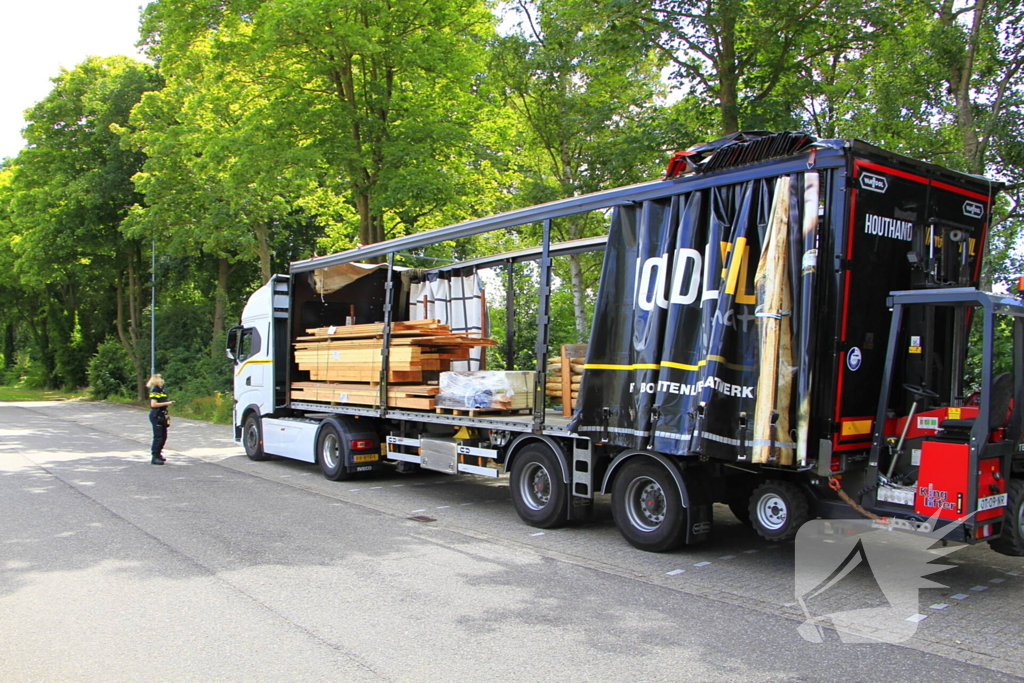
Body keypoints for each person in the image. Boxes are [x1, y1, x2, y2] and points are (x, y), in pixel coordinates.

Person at [147, 374, 175, 465]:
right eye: (161, 379)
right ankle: (154, 456)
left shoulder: (161, 390)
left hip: (162, 414)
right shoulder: (155, 390)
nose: (162, 381)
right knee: (158, 436)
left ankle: (159, 454)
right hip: (156, 414)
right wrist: (168, 403)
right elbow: (153, 404)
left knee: (163, 436)